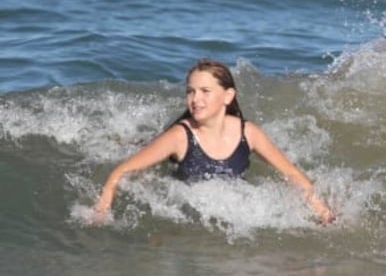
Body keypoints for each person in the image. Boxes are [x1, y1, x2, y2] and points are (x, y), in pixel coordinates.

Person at [93, 58, 335, 224]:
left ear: (228, 96)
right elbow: (121, 172)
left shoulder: (248, 133)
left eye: (205, 91)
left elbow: (292, 174)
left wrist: (322, 211)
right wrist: (102, 210)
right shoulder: (179, 137)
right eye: (190, 91)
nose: (195, 99)